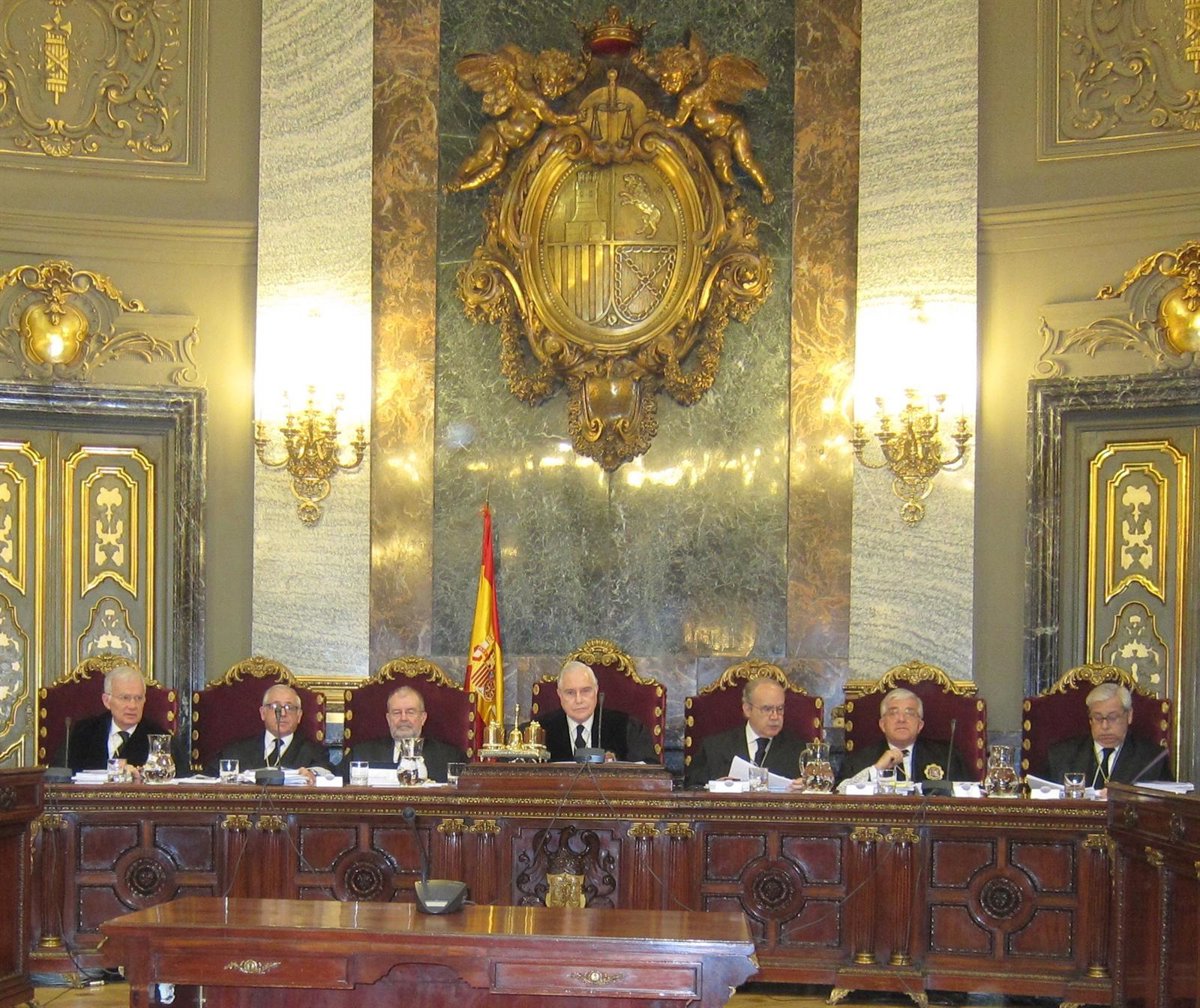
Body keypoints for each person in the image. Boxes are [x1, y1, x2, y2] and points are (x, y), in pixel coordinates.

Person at [835, 687, 967, 791]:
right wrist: (877, 769)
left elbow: (969, 794)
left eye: (910, 713)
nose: (901, 719)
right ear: (882, 725)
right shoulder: (858, 760)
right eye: (893, 713)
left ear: (920, 725)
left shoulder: (947, 757)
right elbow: (839, 793)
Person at [1045, 681, 1171, 789]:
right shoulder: (1061, 756)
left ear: (1129, 716)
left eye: (1112, 717)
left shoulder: (1152, 759)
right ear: (1090, 720)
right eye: (1098, 718)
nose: (1105, 726)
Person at [685, 677, 807, 787]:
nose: (775, 716)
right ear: (747, 709)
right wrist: (716, 787)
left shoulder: (800, 751)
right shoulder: (714, 748)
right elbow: (692, 789)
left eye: (780, 709)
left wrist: (805, 789)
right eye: (767, 709)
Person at [535, 660, 658, 763]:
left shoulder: (627, 727)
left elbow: (650, 771)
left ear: (596, 690)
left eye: (586, 691)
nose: (578, 700)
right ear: (559, 694)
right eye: (570, 693)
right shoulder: (540, 730)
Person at [343, 685, 467, 783]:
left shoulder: (450, 757)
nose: (403, 718)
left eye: (410, 712)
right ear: (388, 719)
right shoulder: (361, 755)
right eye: (397, 712)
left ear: (423, 718)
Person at [209, 683, 330, 781]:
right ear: (263, 713)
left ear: (299, 716)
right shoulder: (235, 751)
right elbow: (208, 779)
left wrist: (312, 774)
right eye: (275, 707)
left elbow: (327, 776)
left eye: (289, 708)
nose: (283, 714)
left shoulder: (315, 753)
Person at [64, 663, 171, 771]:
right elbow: (64, 774)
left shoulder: (160, 740)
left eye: (138, 698)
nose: (133, 706)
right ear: (107, 701)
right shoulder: (83, 733)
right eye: (125, 698)